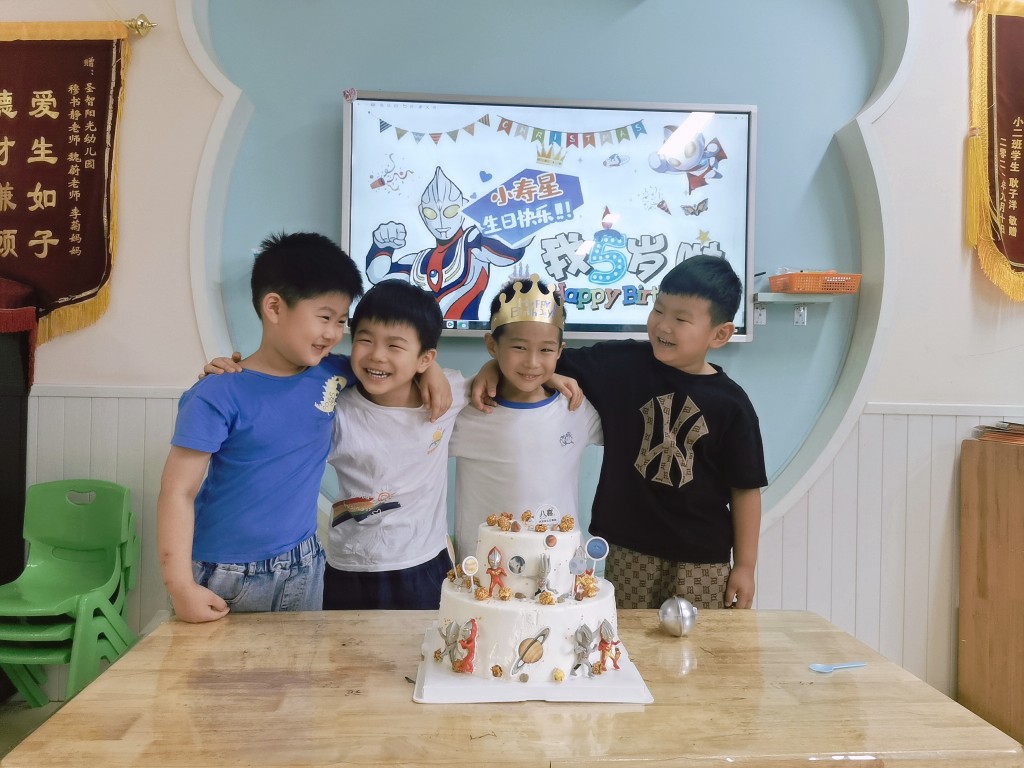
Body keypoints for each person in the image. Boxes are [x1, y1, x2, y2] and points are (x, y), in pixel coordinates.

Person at [473, 255, 766, 610]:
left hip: (702, 558)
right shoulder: (620, 364)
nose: (663, 325)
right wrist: (492, 367)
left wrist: (745, 566)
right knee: (624, 636)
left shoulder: (732, 404)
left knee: (700, 638)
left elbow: (745, 489)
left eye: (681, 319)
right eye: (658, 310)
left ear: (719, 334)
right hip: (628, 549)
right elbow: (538, 360)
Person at [156, 232, 364, 623]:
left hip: (305, 565)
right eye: (324, 317)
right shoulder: (217, 391)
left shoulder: (333, 372)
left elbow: (393, 367)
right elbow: (177, 492)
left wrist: (433, 373)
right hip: (225, 574)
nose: (334, 333)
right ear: (274, 307)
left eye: (341, 321)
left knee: (299, 666)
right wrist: (180, 585)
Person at [322, 280, 467, 610]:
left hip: (424, 562)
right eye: (365, 340)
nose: (377, 355)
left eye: (394, 345)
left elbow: (503, 376)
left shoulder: (448, 394)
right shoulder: (335, 406)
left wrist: (554, 377)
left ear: (425, 358)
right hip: (350, 567)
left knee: (426, 642)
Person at [449, 272, 601, 560]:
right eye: (519, 347)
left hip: (561, 566)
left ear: (560, 352)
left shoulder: (575, 408)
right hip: (485, 567)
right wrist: (488, 369)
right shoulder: (467, 410)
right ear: (492, 345)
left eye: (545, 350)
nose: (532, 362)